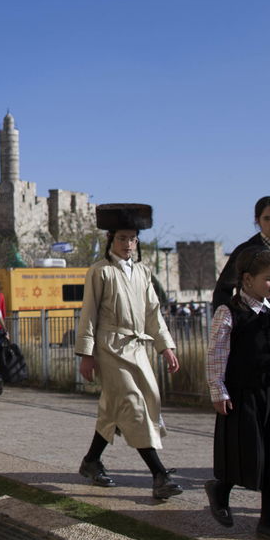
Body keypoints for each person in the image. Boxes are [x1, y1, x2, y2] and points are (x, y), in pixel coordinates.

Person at [75, 203, 183, 500]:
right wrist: (87, 354)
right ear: (111, 239)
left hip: (137, 348)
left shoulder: (143, 272)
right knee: (133, 406)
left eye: (133, 239)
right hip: (109, 348)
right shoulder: (100, 272)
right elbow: (89, 314)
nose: (128, 244)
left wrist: (166, 346)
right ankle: (159, 474)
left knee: (125, 405)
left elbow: (153, 312)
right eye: (122, 238)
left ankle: (91, 461)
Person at [205, 247, 270, 540]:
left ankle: (268, 521)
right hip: (243, 394)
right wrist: (218, 389)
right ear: (247, 279)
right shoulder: (230, 312)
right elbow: (216, 355)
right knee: (245, 451)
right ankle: (221, 488)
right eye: (268, 279)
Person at [212, 197, 270, 310]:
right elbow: (223, 289)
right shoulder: (245, 251)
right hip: (253, 322)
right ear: (258, 221)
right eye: (267, 219)